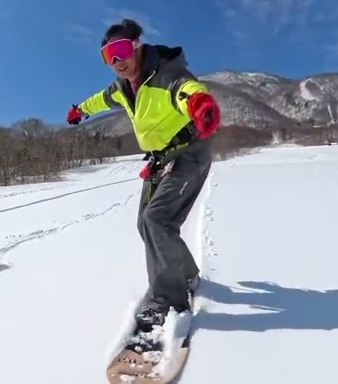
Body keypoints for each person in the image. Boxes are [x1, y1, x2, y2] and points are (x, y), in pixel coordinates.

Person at [65, 18, 221, 338]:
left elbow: (185, 89)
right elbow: (101, 99)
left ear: (138, 45)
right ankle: (186, 275)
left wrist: (199, 103)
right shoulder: (123, 89)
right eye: (108, 56)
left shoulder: (165, 74)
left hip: (189, 153)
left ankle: (168, 299)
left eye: (121, 50)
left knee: (157, 220)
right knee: (146, 223)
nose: (117, 61)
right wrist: (81, 110)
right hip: (161, 160)